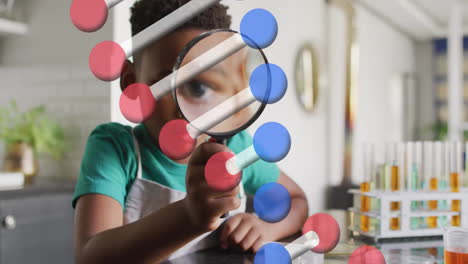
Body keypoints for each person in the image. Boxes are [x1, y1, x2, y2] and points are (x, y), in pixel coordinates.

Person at [73, 1, 308, 263]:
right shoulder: (116, 149)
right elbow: (90, 257)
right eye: (167, 84)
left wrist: (266, 228)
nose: (186, 112)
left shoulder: (237, 148)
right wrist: (188, 216)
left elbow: (296, 201)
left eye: (200, 88)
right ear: (131, 83)